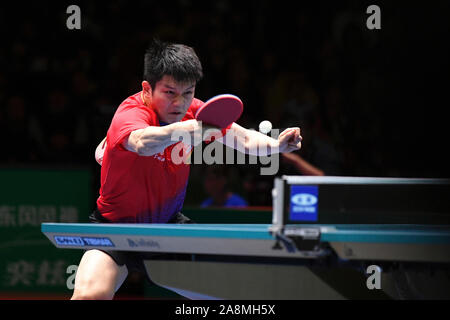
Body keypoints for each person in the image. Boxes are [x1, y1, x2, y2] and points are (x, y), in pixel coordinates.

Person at [72, 40, 302, 300]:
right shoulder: (131, 112)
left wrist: (277, 145)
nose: (179, 103)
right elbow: (141, 142)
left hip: (167, 228)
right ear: (147, 89)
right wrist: (188, 129)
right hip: (114, 228)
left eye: (188, 92)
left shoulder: (195, 112)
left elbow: (245, 140)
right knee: (89, 296)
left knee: (232, 294)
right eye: (170, 93)